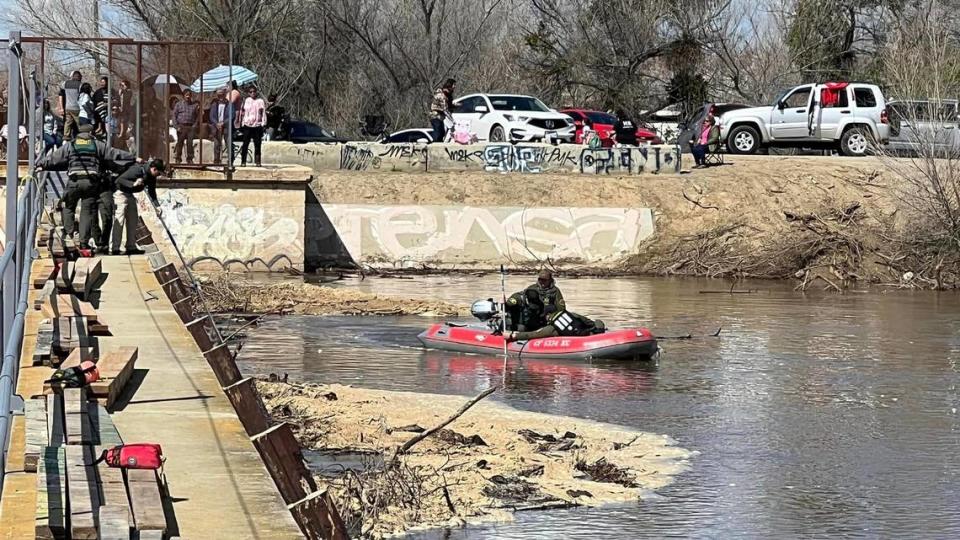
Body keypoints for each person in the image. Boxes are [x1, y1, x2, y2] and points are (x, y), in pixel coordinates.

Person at [36, 124, 138, 252]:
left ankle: (69, 234)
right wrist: (133, 157)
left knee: (68, 206)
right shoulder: (97, 144)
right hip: (91, 183)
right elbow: (114, 153)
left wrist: (41, 164)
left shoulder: (71, 145)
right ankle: (83, 242)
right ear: (91, 133)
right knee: (87, 211)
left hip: (74, 181)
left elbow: (55, 158)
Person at [112, 159, 163, 255]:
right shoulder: (137, 170)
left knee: (133, 219)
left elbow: (152, 192)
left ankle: (131, 246)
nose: (159, 175)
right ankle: (115, 248)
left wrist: (157, 206)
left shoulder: (151, 177)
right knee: (120, 219)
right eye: (158, 173)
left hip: (130, 194)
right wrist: (133, 184)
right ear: (154, 169)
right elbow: (119, 180)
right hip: (121, 193)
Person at [505, 310, 606, 342]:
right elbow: (588, 322)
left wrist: (514, 336)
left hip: (578, 342)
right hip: (589, 334)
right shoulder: (571, 314)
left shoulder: (552, 328)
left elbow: (533, 334)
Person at [239, 86, 266, 167]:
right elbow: (242, 112)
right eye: (250, 92)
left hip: (257, 125)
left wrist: (263, 123)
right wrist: (242, 122)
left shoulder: (260, 101)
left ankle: (258, 161)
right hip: (248, 125)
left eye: (254, 91)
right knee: (245, 144)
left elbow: (263, 112)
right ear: (248, 93)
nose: (252, 93)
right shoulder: (247, 101)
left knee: (257, 144)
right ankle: (243, 162)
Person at [173, 89, 200, 164]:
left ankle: (190, 159)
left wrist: (194, 125)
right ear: (183, 96)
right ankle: (178, 158)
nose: (188, 96)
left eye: (189, 95)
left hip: (190, 127)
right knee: (180, 143)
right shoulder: (178, 104)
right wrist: (176, 126)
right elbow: (174, 116)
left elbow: (198, 116)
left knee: (189, 143)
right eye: (186, 95)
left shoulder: (194, 105)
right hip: (181, 126)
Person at [429, 78, 455, 143]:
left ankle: (438, 143)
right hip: (435, 116)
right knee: (438, 133)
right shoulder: (442, 95)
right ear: (450, 86)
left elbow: (448, 106)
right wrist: (452, 120)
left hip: (440, 117)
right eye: (453, 85)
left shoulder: (447, 95)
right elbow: (445, 109)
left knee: (442, 132)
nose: (454, 87)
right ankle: (434, 146)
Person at [59, 71, 83, 141]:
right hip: (76, 107)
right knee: (79, 122)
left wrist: (61, 108)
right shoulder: (80, 85)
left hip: (67, 107)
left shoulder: (65, 83)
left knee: (68, 122)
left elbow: (61, 91)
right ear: (79, 77)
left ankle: (66, 136)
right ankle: (82, 134)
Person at [209, 88, 230, 165]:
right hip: (216, 127)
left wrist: (223, 123)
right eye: (219, 95)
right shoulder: (214, 104)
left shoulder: (229, 104)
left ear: (225, 95)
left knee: (228, 143)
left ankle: (230, 160)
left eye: (222, 95)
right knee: (217, 144)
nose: (220, 97)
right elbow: (211, 116)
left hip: (226, 127)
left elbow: (231, 115)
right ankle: (216, 160)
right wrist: (216, 123)